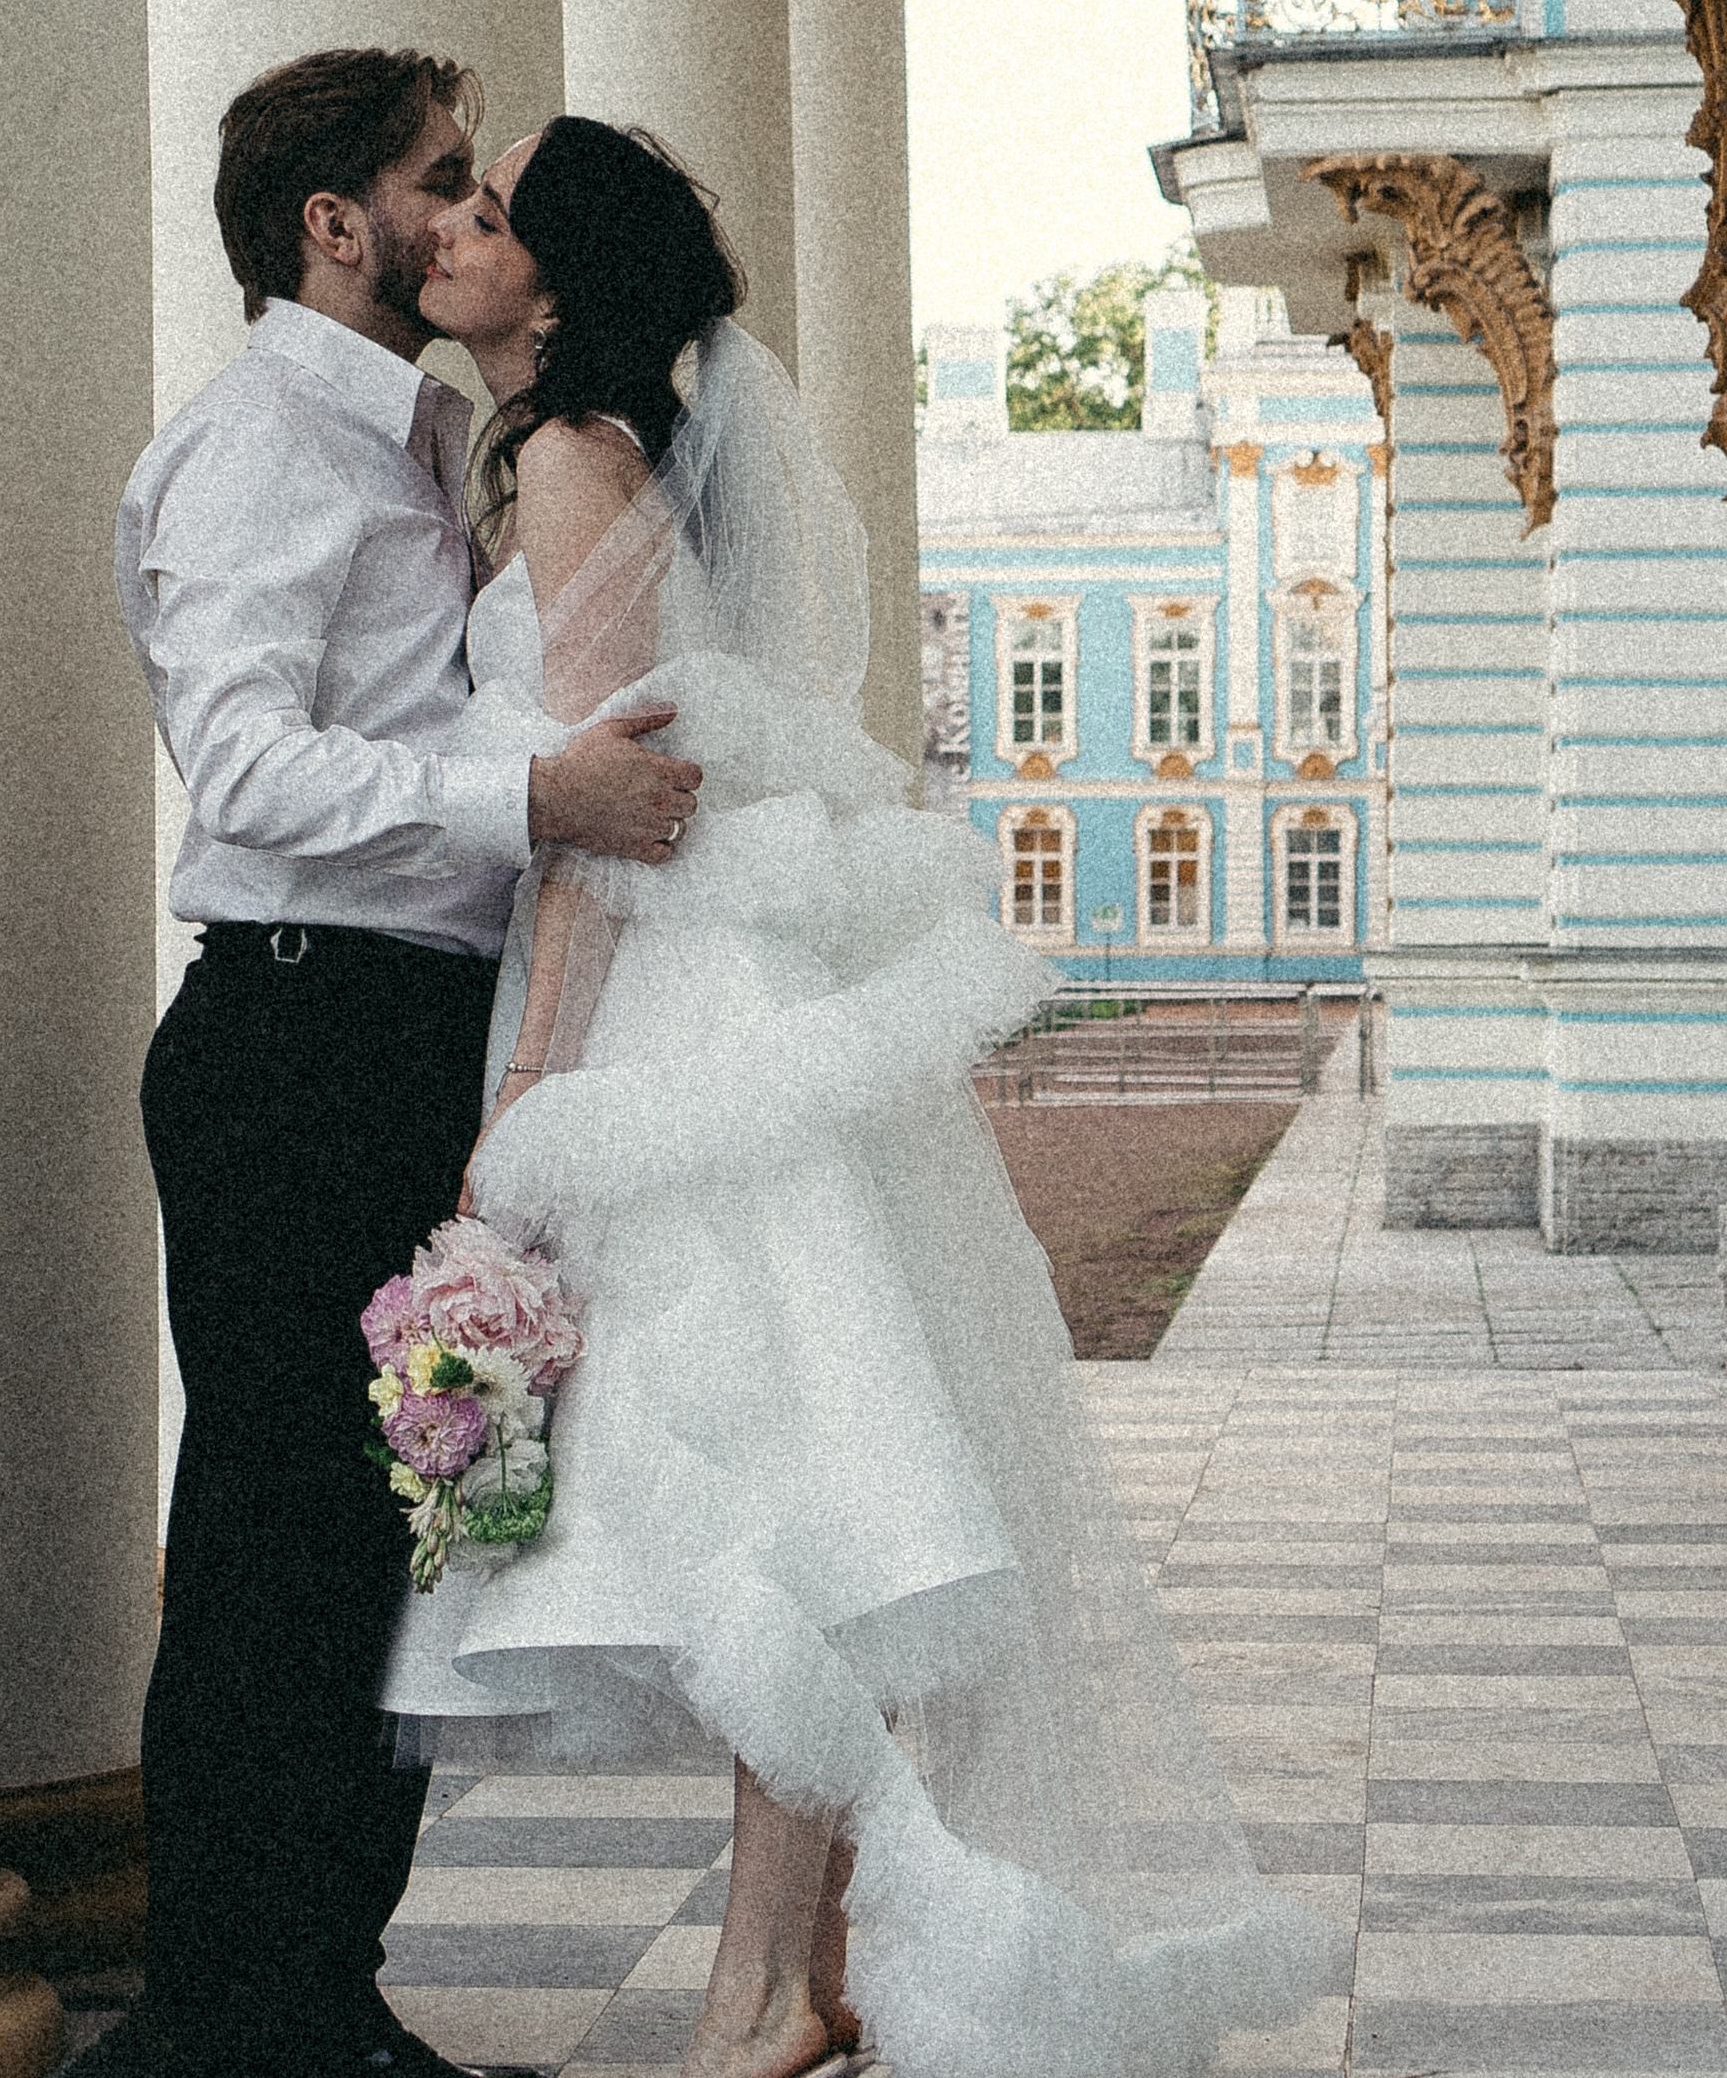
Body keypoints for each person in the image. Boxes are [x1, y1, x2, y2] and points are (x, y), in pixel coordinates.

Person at [396, 116, 1341, 2078]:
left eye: (488, 221)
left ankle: (755, 1998)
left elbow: (596, 822)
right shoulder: (638, 457)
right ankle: (789, 1979)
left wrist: (534, 1114)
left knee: (778, 1510)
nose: (449, 241)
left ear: (556, 277)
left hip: (667, 1022)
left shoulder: (572, 466)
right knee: (823, 1491)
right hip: (751, 1000)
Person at [113, 49, 705, 2078]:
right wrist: (530, 794)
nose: (467, 216)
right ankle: (221, 2022)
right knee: (281, 1544)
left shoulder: (404, 438)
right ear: (327, 225)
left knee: (378, 1537)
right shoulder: (259, 447)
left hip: (385, 1030)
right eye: (438, 181)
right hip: (291, 1028)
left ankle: (310, 2000)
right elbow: (251, 768)